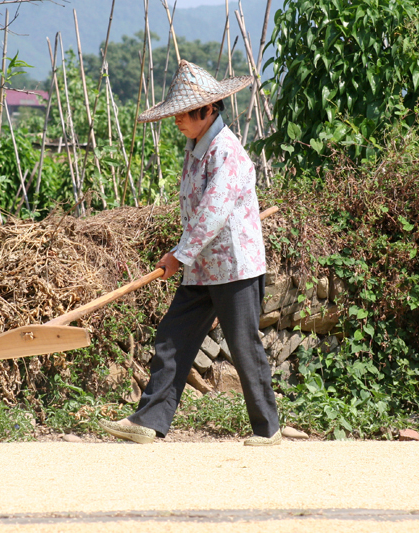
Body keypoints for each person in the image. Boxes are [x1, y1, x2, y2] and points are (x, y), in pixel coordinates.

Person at [99, 60, 281, 446]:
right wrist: (183, 254)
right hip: (202, 267)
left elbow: (214, 211)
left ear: (208, 109)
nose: (178, 119)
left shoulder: (227, 151)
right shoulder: (198, 148)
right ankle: (149, 421)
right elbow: (199, 213)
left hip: (234, 267)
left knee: (244, 344)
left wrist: (179, 255)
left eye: (183, 112)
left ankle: (268, 429)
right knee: (172, 338)